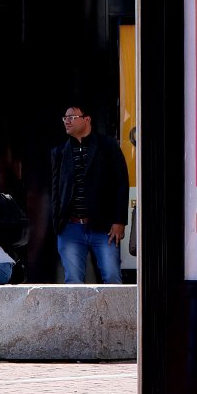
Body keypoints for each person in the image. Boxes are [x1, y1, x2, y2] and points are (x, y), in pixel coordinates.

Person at [50, 104, 129, 283]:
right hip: (70, 227)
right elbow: (56, 190)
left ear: (87, 119)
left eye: (72, 117)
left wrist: (119, 221)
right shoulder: (59, 152)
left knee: (112, 276)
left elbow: (121, 183)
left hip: (103, 226)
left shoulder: (107, 146)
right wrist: (57, 224)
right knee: (73, 280)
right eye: (65, 118)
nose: (67, 121)